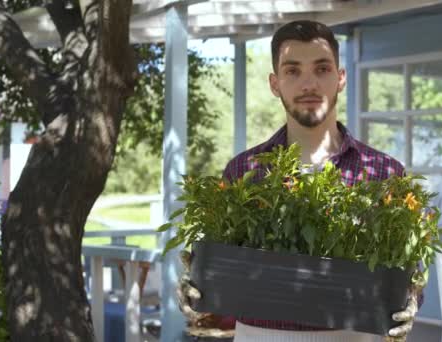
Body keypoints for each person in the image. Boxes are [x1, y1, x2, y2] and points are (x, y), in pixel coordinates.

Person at [178, 20, 424, 342]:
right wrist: (198, 287)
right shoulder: (243, 172)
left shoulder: (384, 173)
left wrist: (412, 296)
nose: (308, 84)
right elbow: (223, 286)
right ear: (275, 83)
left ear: (341, 78)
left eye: (322, 69)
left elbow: (411, 273)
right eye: (292, 71)